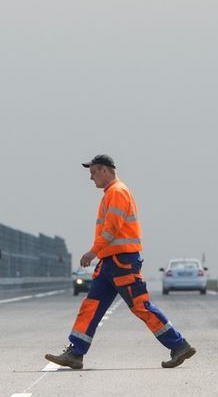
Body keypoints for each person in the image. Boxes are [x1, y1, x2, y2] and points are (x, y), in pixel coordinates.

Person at [45, 154, 196, 369]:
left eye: (93, 172)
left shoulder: (117, 192)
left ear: (104, 170)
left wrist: (92, 252)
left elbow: (112, 229)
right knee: (91, 306)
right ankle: (76, 353)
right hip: (110, 262)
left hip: (122, 262)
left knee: (140, 306)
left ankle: (179, 345)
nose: (91, 178)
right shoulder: (111, 193)